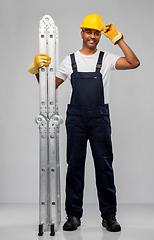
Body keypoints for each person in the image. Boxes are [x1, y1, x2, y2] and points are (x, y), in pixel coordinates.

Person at [27, 13, 140, 232]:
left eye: (96, 33)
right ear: (82, 33)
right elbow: (49, 86)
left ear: (100, 36)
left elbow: (134, 62)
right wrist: (35, 69)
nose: (92, 36)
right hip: (77, 119)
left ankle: (109, 215)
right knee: (75, 166)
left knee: (104, 167)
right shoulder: (69, 61)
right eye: (89, 31)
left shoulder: (106, 59)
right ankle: (73, 215)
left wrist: (118, 38)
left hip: (99, 118)